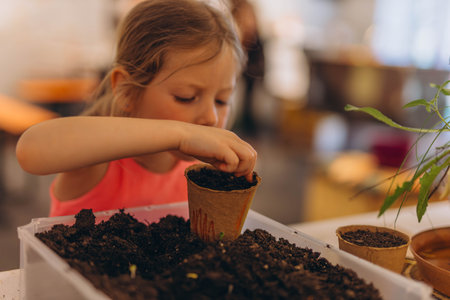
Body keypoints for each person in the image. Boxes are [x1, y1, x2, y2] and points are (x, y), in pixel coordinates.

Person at [16, 0, 257, 217]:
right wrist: (182, 134)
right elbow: (30, 150)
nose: (211, 117)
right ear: (127, 91)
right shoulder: (97, 163)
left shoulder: (196, 172)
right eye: (186, 97)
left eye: (222, 100)